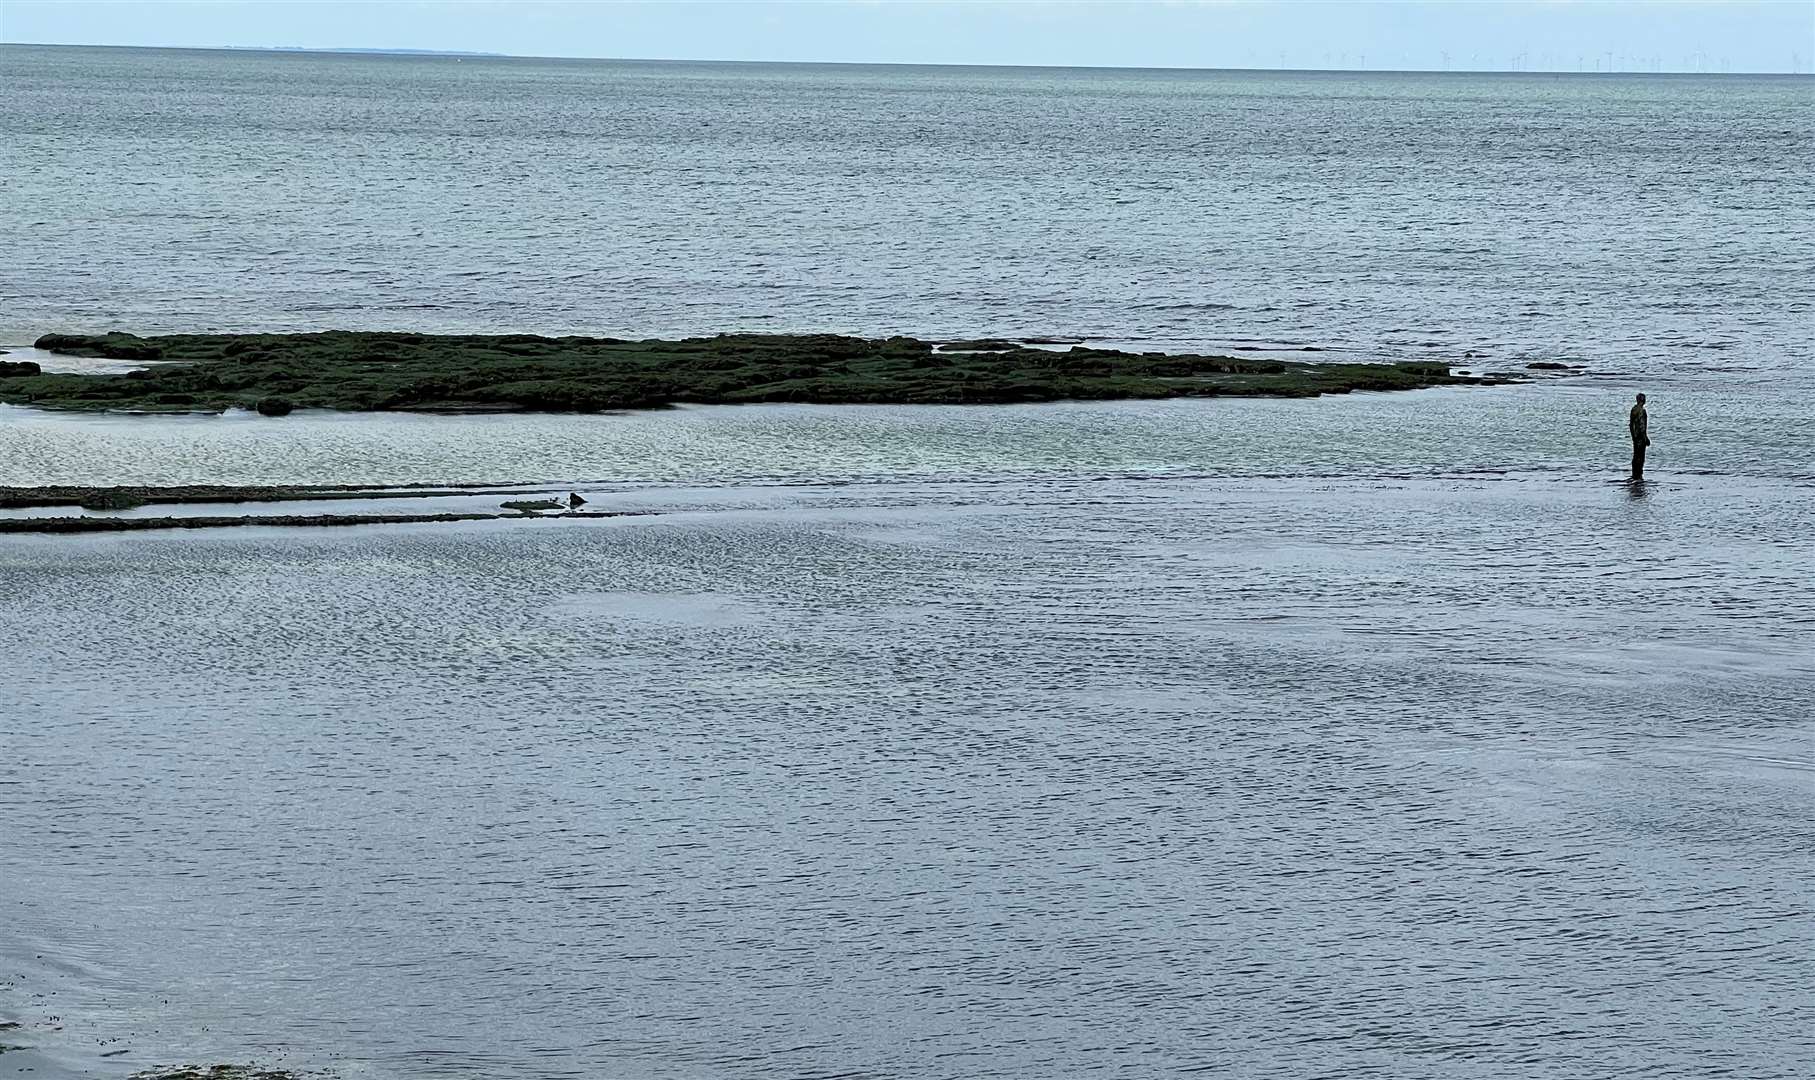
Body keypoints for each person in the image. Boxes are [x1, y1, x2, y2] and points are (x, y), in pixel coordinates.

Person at [1629, 393, 1650, 479]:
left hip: (1635, 436)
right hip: (1640, 437)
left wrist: (1633, 436)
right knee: (1640, 457)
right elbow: (1642, 426)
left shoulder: (1633, 409)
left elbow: (1631, 425)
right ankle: (1638, 474)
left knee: (1635, 455)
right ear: (1643, 400)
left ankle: (1635, 473)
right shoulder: (1642, 411)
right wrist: (1646, 438)